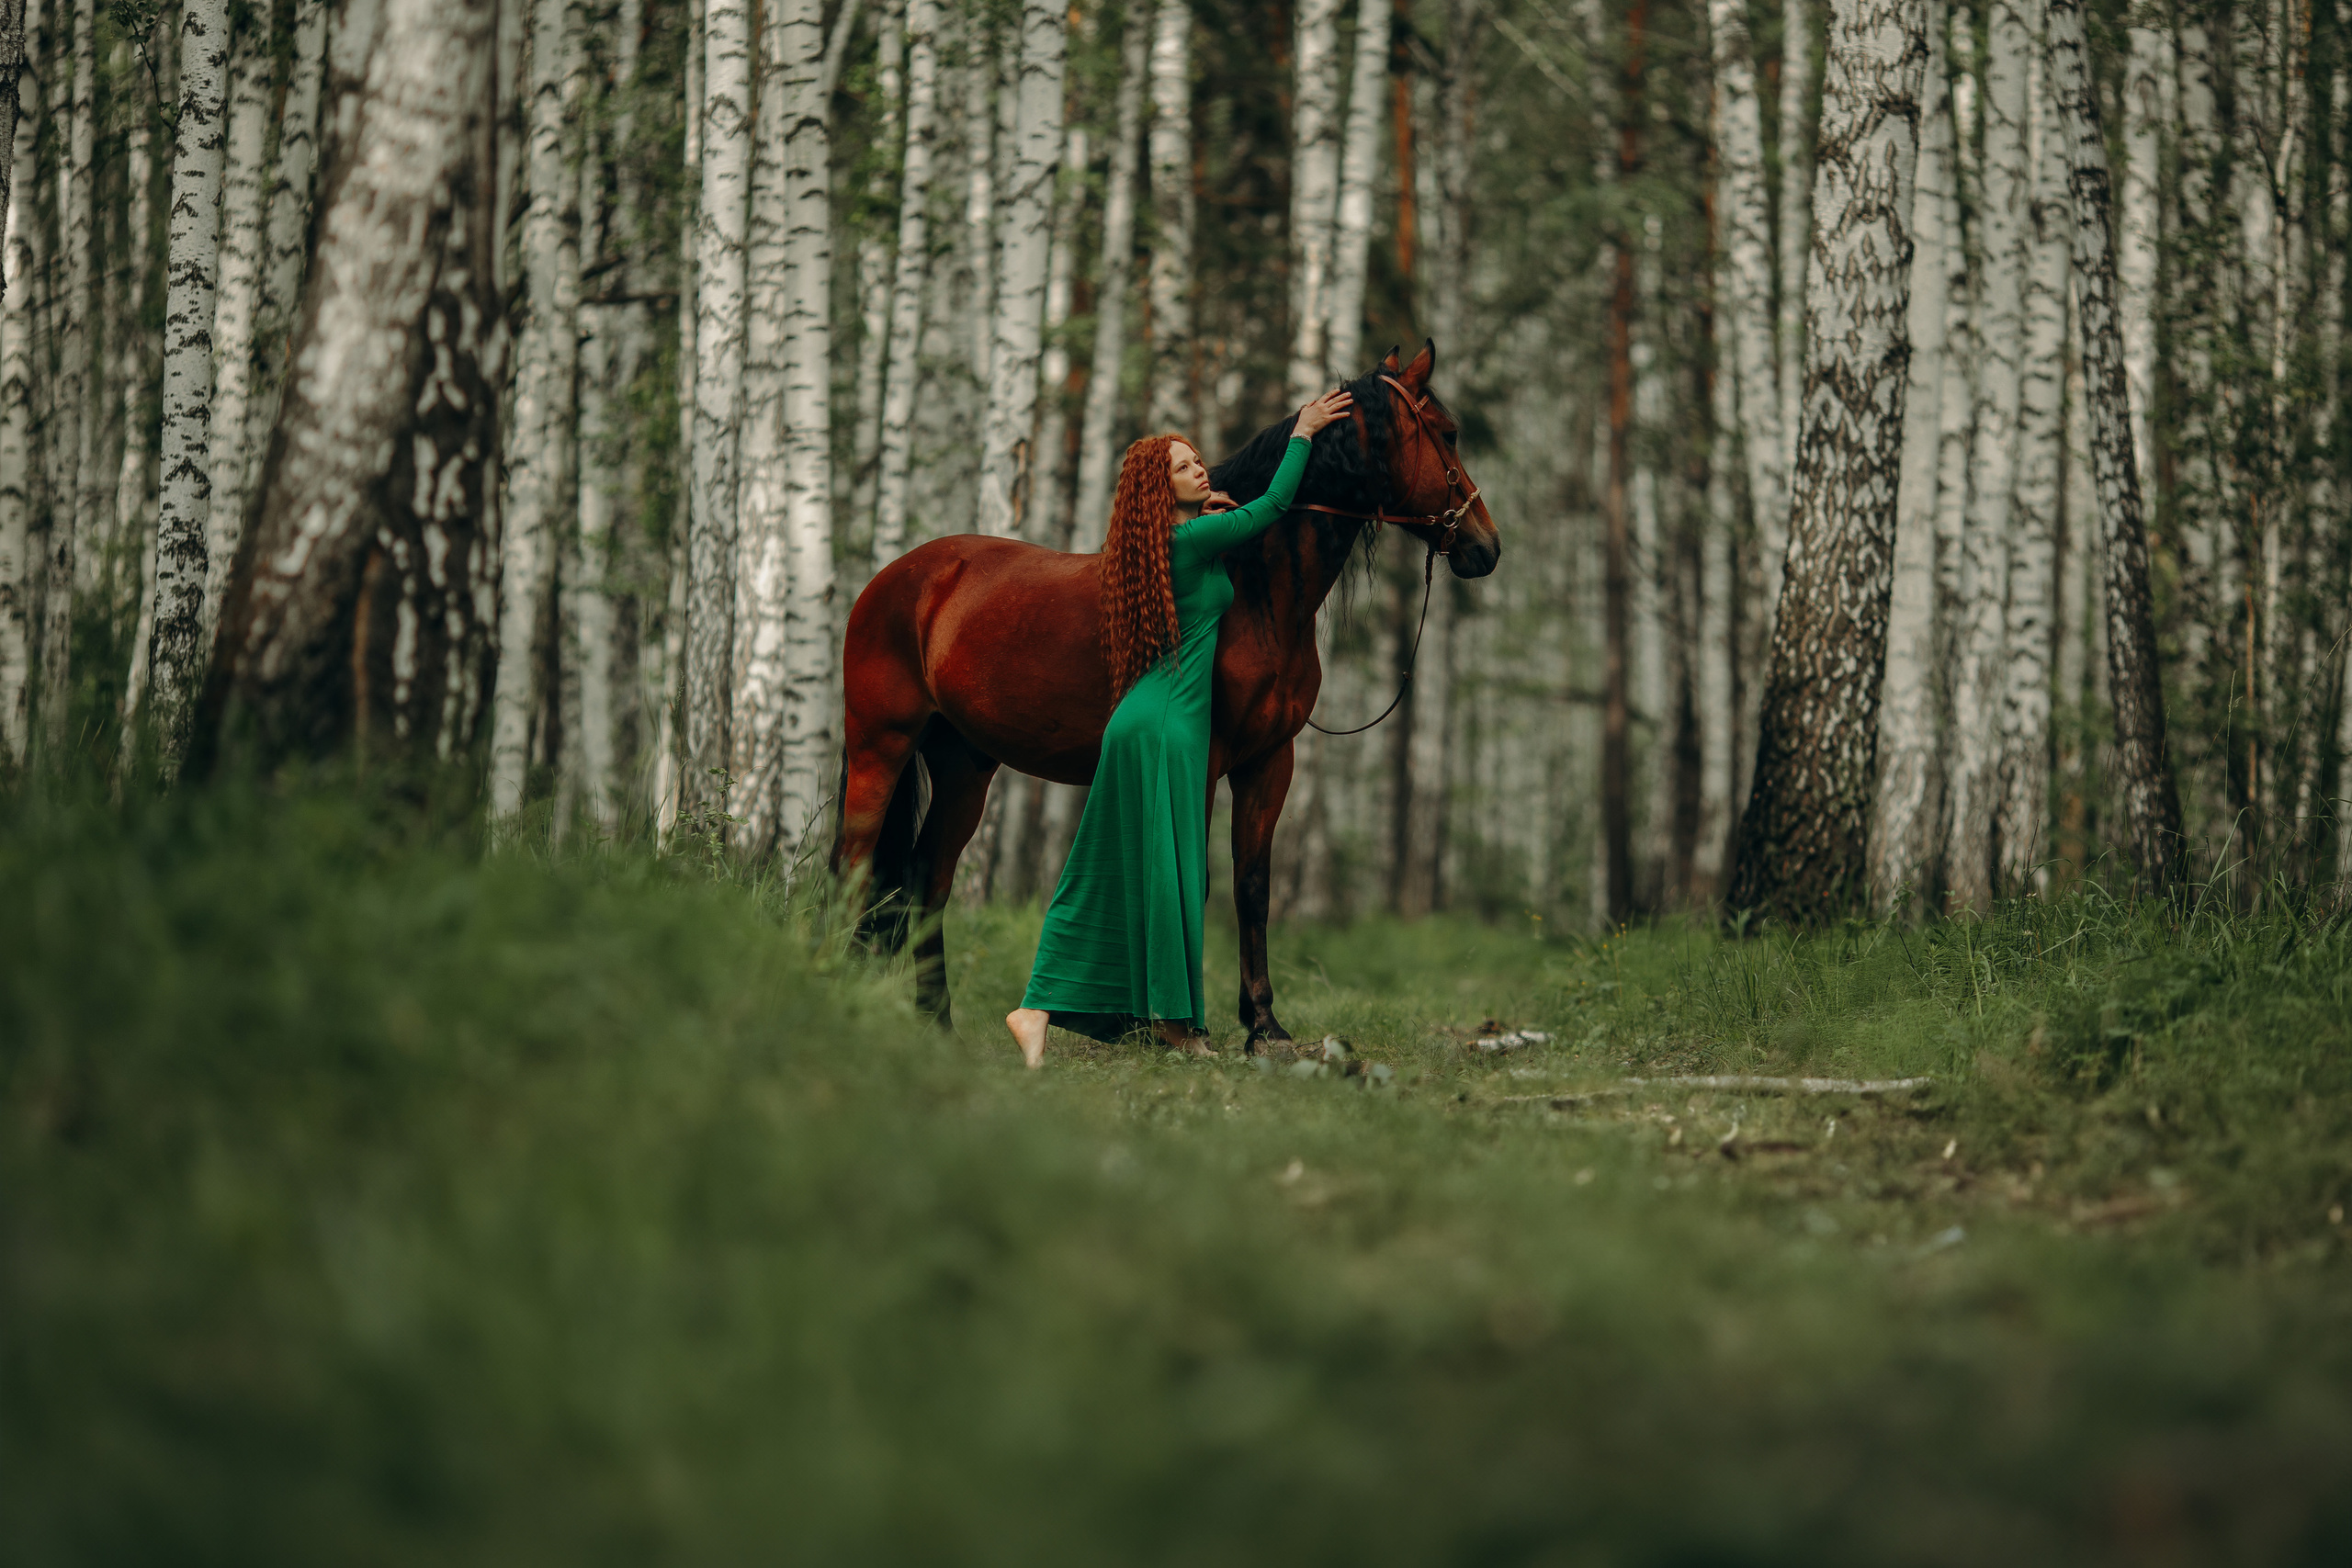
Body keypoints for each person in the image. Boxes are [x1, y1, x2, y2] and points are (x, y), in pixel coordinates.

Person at [1005, 389, 1357, 1069]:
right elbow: (1277, 506)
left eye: (1199, 459)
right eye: (1184, 467)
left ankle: (1037, 1008)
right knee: (1171, 877)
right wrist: (1304, 434)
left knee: (1105, 873)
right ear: (1157, 488)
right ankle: (1176, 1026)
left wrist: (1211, 509)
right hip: (1169, 728)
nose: (1201, 469)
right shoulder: (1193, 539)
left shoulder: (1168, 543)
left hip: (1143, 722)